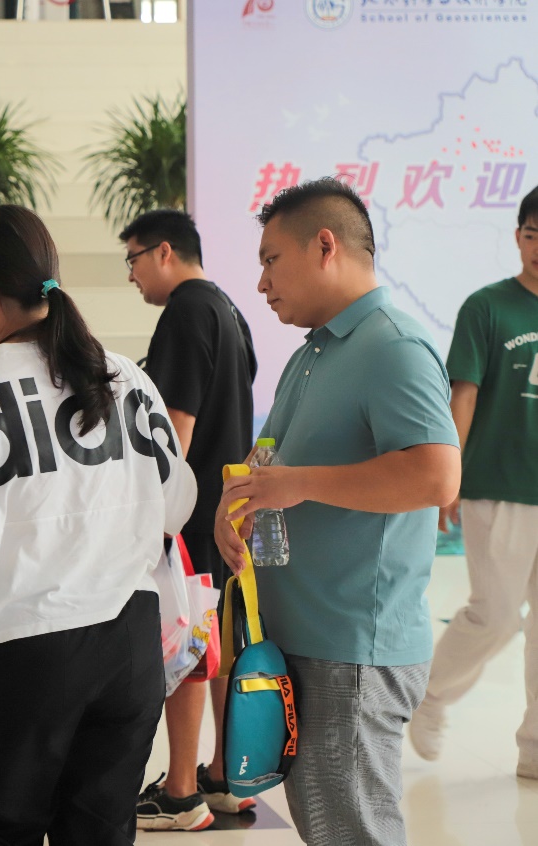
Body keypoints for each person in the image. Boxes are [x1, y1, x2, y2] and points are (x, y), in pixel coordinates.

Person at [0, 205, 197, 845]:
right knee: (100, 833)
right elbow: (176, 504)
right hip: (128, 644)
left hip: (19, 646)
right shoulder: (126, 377)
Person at [214, 177, 460, 846]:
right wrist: (236, 502)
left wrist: (298, 485)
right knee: (331, 826)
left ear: (325, 245)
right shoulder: (313, 352)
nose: (261, 282)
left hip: (352, 647)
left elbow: (436, 475)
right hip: (306, 638)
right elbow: (270, 459)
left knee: (353, 832)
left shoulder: (392, 346)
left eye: (271, 259)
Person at [120, 210, 257, 831]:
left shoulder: (184, 311)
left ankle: (180, 792)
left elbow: (174, 433)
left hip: (192, 511)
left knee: (189, 643)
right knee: (218, 642)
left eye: (133, 259)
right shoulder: (228, 308)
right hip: (226, 507)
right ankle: (225, 776)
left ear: (164, 251)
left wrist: (151, 515)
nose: (131, 275)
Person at [409, 184, 538, 780]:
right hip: (498, 485)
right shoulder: (487, 307)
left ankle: (534, 749)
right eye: (532, 235)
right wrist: (449, 475)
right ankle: (430, 694)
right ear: (517, 236)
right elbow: (464, 395)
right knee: (497, 614)